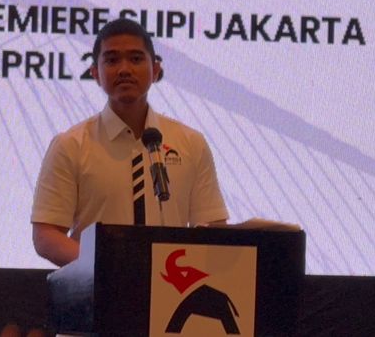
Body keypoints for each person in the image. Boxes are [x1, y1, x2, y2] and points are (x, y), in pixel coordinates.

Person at [31, 18, 228, 266]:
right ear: (95, 73)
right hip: (99, 285)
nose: (124, 69)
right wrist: (105, 267)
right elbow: (46, 235)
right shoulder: (70, 145)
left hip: (174, 283)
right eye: (112, 60)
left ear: (155, 70)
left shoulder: (191, 143)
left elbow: (213, 227)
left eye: (136, 59)